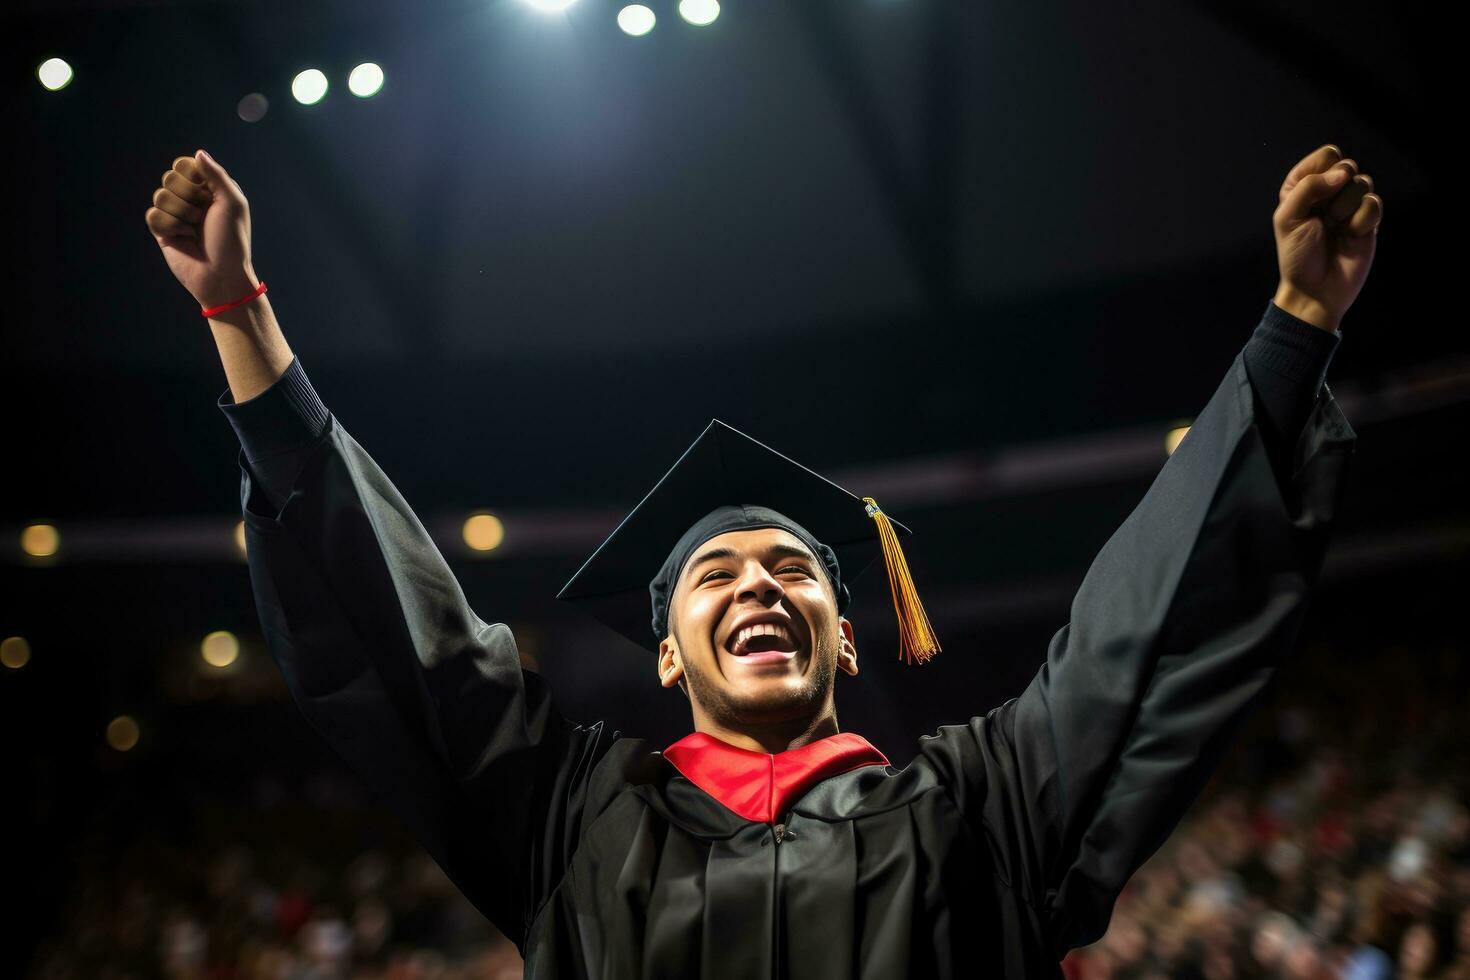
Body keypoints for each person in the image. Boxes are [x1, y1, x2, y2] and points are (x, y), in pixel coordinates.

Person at [144, 143, 1381, 978]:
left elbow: (1146, 625)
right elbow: (405, 644)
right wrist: (242, 320)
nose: (757, 581)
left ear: (846, 635)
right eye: (714, 573)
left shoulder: (984, 808)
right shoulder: (570, 819)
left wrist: (1295, 331)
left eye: (793, 568)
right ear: (669, 654)